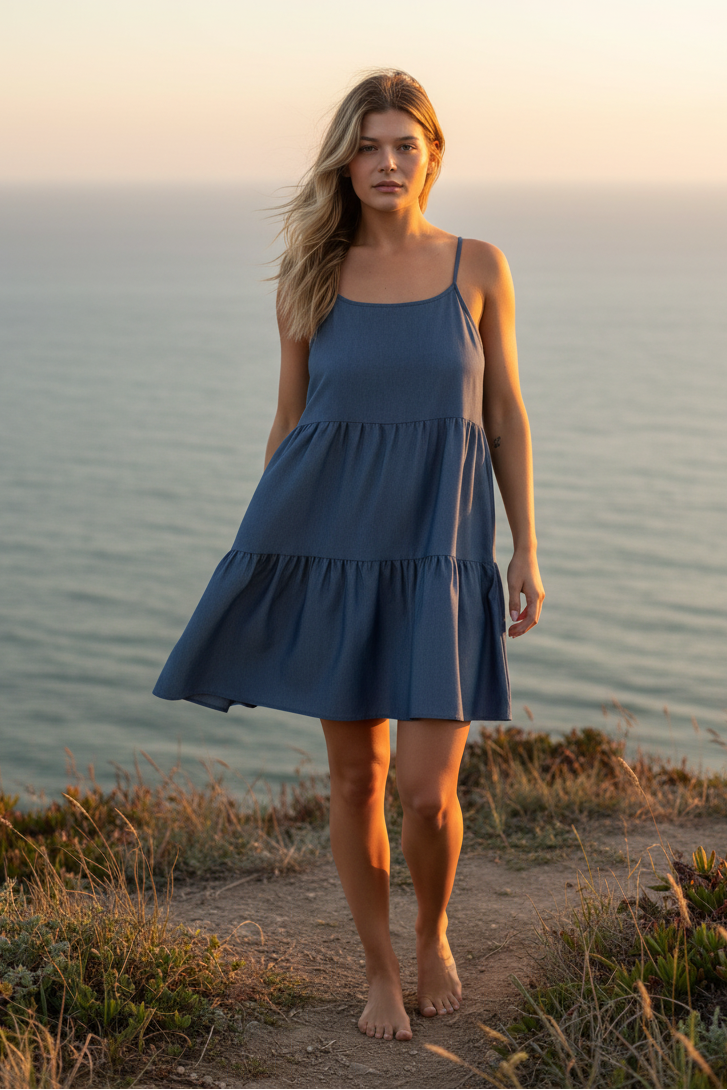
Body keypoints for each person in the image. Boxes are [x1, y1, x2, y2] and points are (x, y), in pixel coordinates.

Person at [153, 68, 544, 1043]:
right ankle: (378, 968)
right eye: (366, 146)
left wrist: (526, 548)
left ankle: (433, 935)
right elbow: (288, 423)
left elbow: (502, 416)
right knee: (354, 781)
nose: (384, 162)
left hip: (441, 557)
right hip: (331, 544)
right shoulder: (309, 278)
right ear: (343, 159)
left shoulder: (478, 266)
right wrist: (264, 561)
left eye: (402, 144)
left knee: (427, 788)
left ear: (431, 154)